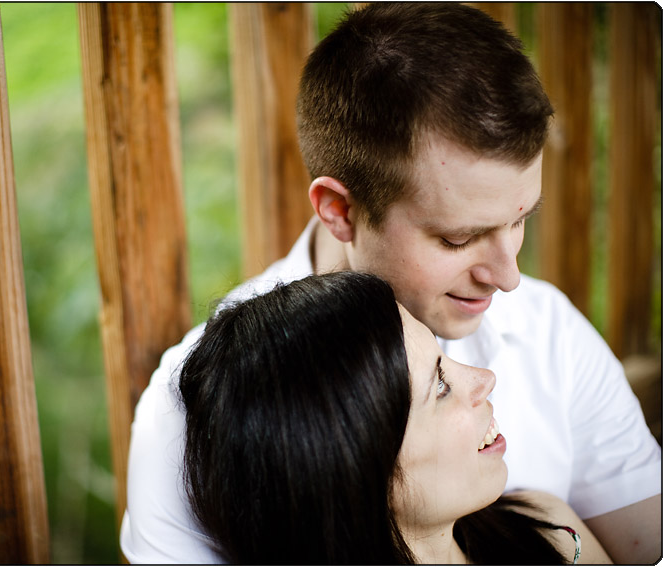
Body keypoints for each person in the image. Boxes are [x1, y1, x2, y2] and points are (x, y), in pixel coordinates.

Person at [120, 3, 661, 563]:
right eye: (458, 238)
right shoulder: (198, 411)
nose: (508, 278)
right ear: (338, 209)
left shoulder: (547, 329)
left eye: (521, 219)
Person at [180, 271, 610, 564]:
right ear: (358, 471)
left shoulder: (549, 530)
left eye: (444, 356)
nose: (485, 379)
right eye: (439, 387)